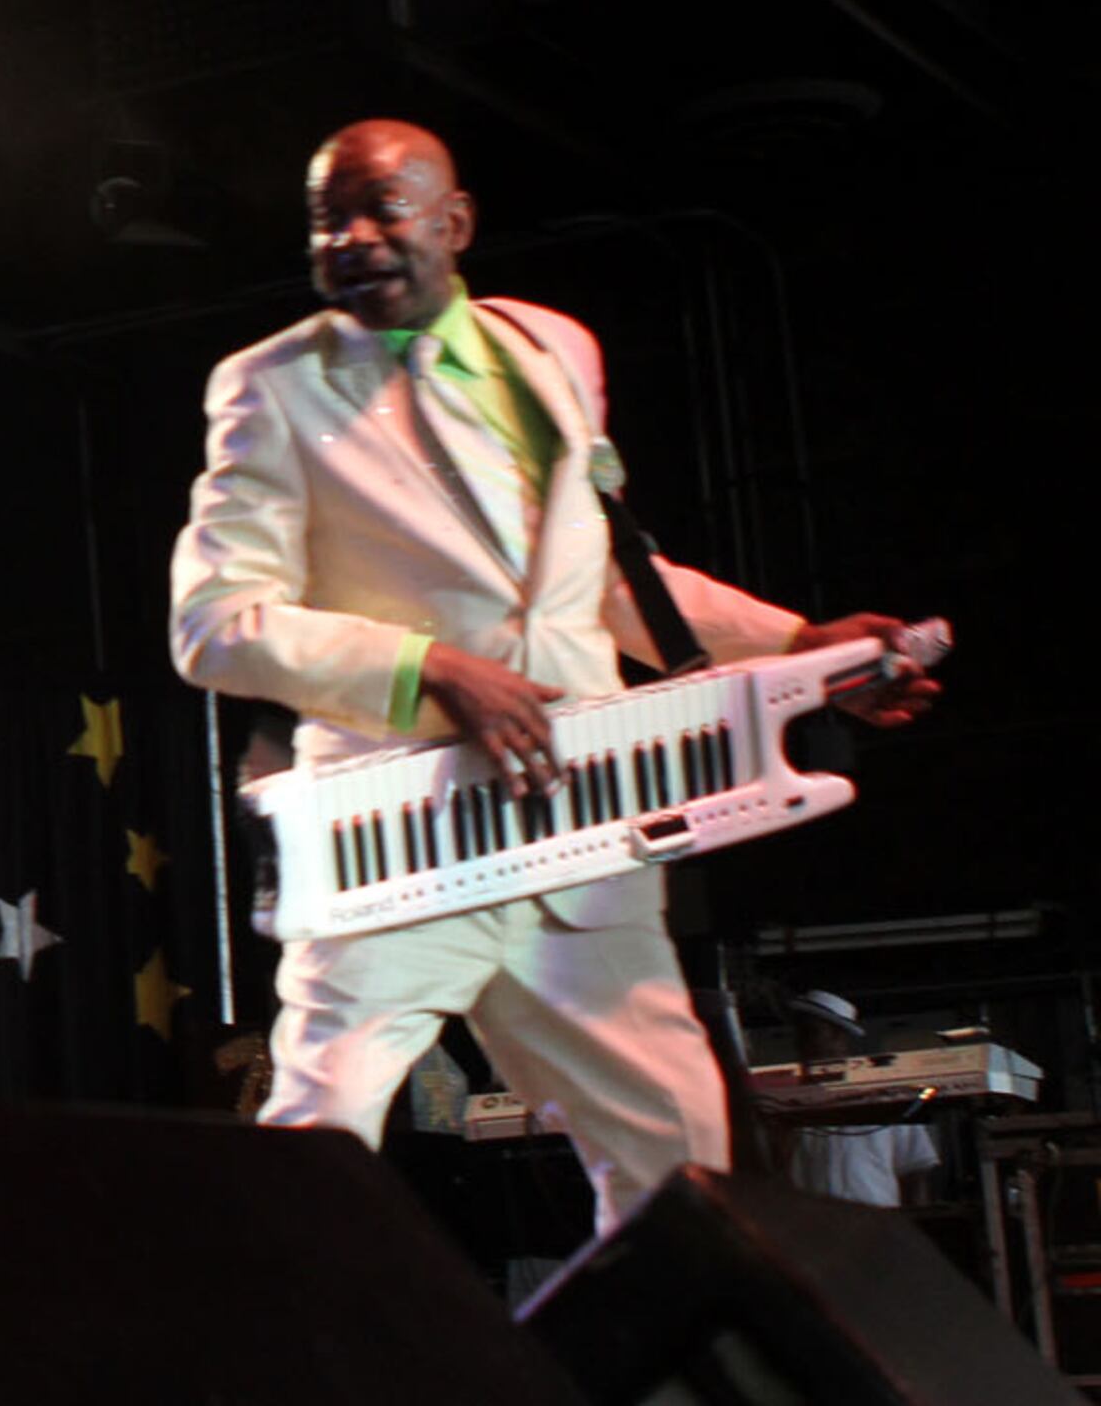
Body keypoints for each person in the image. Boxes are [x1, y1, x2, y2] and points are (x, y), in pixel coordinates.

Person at [169, 118, 934, 1232]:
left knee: (681, 1166)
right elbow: (214, 626)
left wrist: (794, 645)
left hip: (584, 832)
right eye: (330, 218)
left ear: (457, 221)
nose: (355, 238)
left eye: (385, 208)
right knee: (315, 1147)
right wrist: (435, 672)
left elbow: (610, 580)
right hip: (404, 836)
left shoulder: (552, 352)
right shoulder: (270, 387)